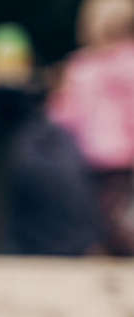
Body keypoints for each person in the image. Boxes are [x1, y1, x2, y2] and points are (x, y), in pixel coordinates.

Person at [48, 0, 134, 255]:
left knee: (100, 214)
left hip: (90, 154)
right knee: (118, 214)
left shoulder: (82, 67)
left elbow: (63, 116)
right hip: (125, 155)